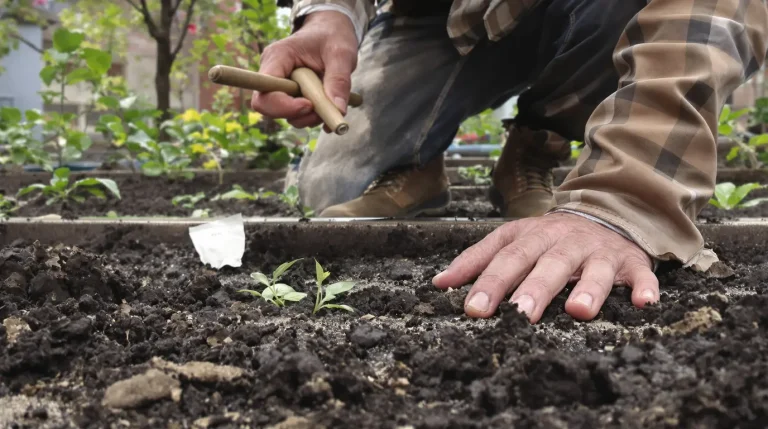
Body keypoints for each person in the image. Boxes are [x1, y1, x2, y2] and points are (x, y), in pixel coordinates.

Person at [251, 0, 768, 323]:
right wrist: (330, 15)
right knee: (333, 187)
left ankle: (536, 144)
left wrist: (624, 203)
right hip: (440, 16)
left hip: (598, 13)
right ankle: (417, 166)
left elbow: (715, 13)